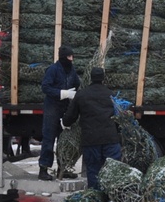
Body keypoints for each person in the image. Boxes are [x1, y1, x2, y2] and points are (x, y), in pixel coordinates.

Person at [62, 66, 122, 189]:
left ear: (91, 78)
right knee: (113, 171)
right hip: (110, 139)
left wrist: (65, 123)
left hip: (91, 140)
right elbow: (120, 116)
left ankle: (96, 198)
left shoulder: (81, 95)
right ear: (103, 79)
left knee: (93, 171)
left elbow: (70, 117)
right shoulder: (111, 95)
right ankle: (110, 199)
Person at [38, 45, 80, 181]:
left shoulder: (71, 70)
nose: (71, 59)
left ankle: (62, 169)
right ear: (63, 57)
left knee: (63, 141)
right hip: (52, 109)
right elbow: (45, 87)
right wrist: (62, 93)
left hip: (65, 110)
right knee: (49, 140)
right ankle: (43, 169)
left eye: (72, 56)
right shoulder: (53, 70)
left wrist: (76, 94)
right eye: (69, 57)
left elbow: (77, 83)